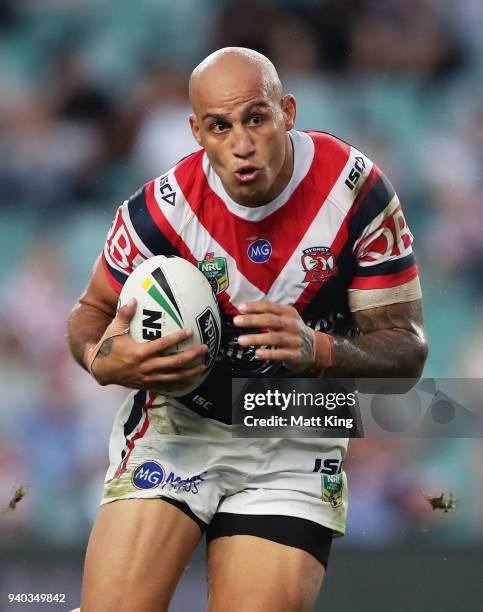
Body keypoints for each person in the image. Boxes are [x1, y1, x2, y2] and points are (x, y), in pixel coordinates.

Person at [67, 47, 428, 612]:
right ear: (196, 132)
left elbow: (409, 352)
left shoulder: (355, 191)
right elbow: (89, 313)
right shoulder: (161, 212)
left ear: (287, 111)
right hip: (182, 423)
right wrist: (101, 360)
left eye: (255, 118)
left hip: (297, 428)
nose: (240, 144)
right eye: (219, 126)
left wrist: (321, 349)